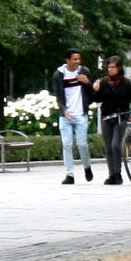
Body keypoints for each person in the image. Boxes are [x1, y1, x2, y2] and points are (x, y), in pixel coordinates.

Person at [93, 56, 131, 185]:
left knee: (115, 145)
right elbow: (97, 99)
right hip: (107, 117)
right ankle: (112, 174)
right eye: (109, 67)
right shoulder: (103, 82)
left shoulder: (126, 83)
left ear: (119, 68)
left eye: (113, 67)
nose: (110, 69)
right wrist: (96, 90)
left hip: (121, 117)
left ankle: (118, 174)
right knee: (108, 147)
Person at [52, 51, 96, 184]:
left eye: (79, 59)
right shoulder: (59, 74)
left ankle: (87, 166)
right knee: (67, 145)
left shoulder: (84, 71)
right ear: (67, 60)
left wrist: (87, 82)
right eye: (74, 59)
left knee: (82, 144)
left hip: (81, 114)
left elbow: (93, 93)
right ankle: (69, 174)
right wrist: (64, 110)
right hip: (66, 116)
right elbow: (58, 95)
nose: (77, 62)